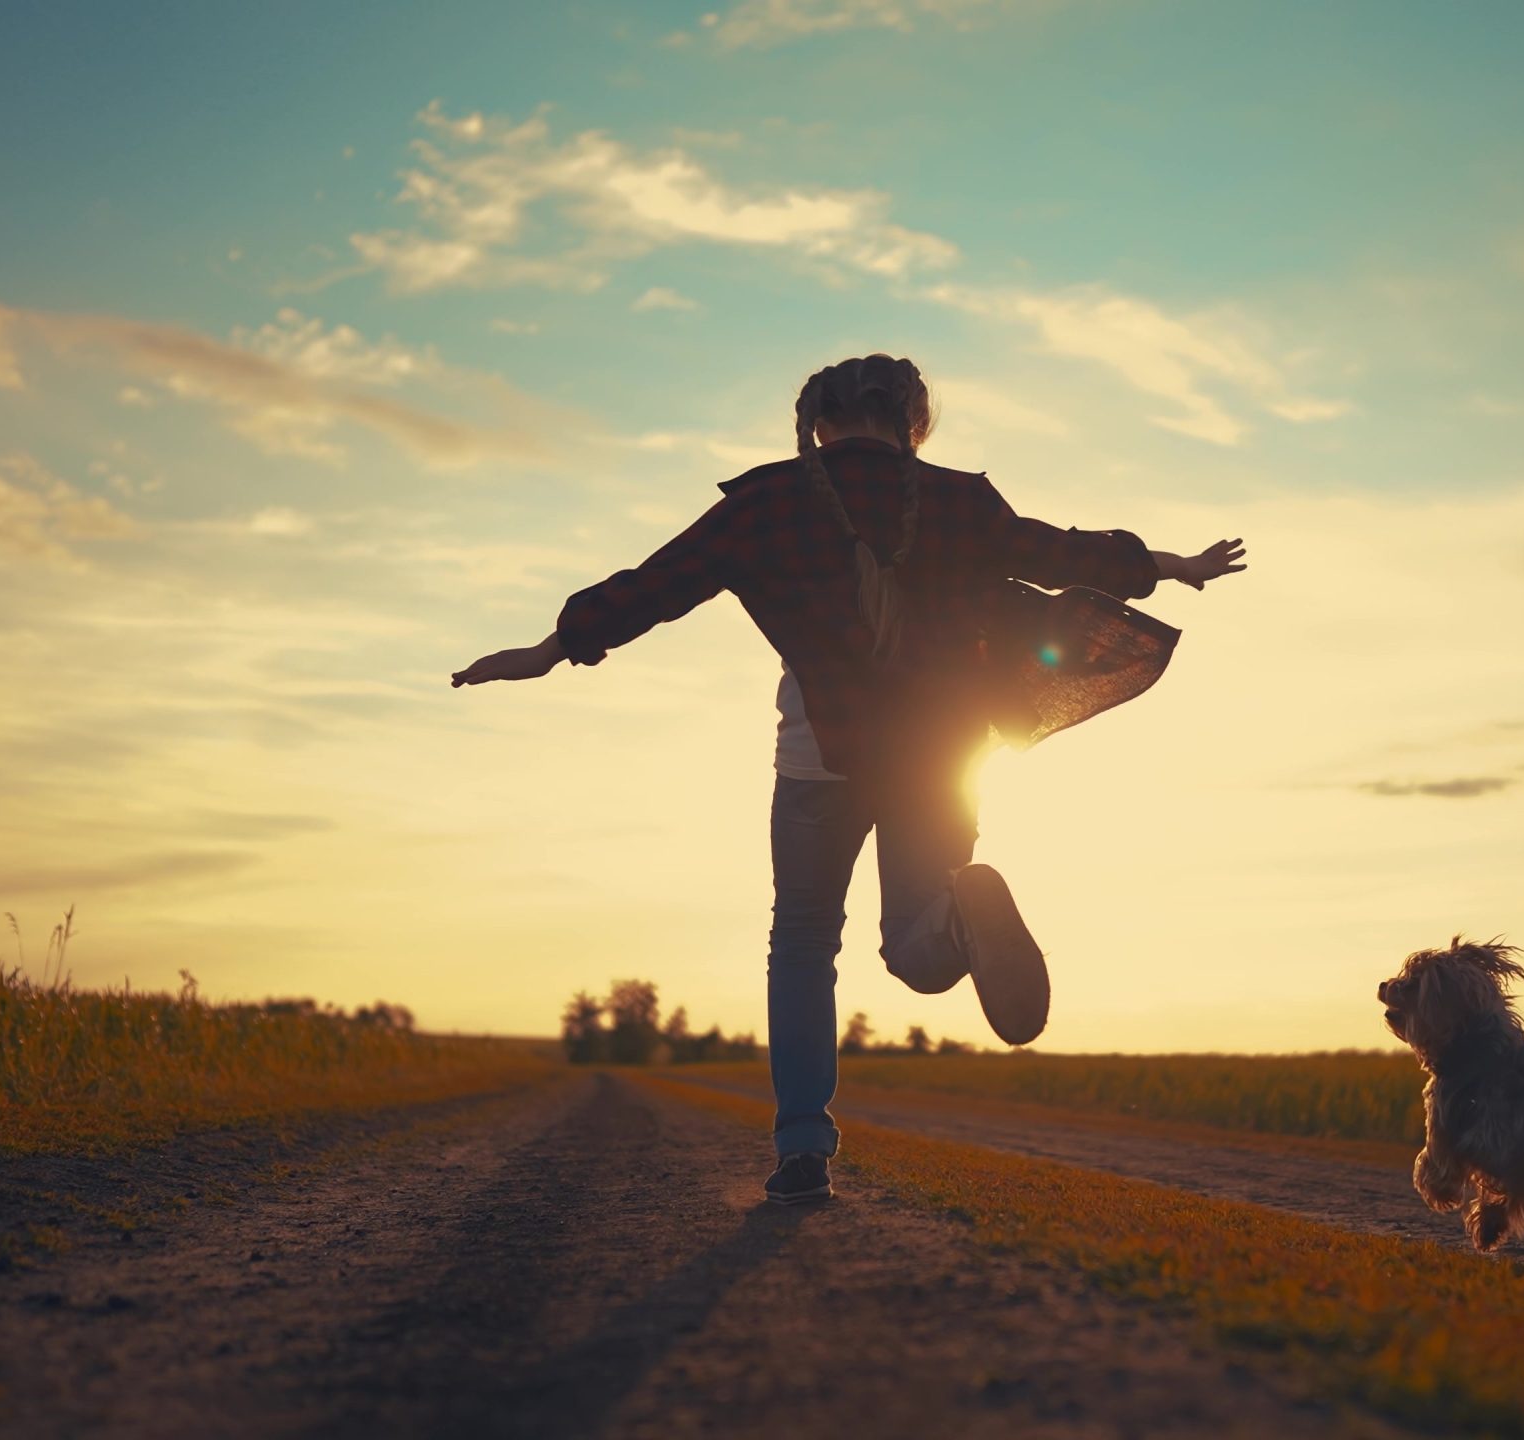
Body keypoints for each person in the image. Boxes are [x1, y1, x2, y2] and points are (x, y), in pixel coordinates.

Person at [452, 353, 1246, 1203]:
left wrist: (550, 648)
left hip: (817, 767)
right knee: (915, 948)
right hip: (938, 761)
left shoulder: (762, 505)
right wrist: (1172, 564)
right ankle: (958, 917)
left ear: (817, 425)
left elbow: (653, 587)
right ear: (912, 421)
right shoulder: (960, 501)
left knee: (801, 941)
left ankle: (803, 1152)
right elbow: (1063, 554)